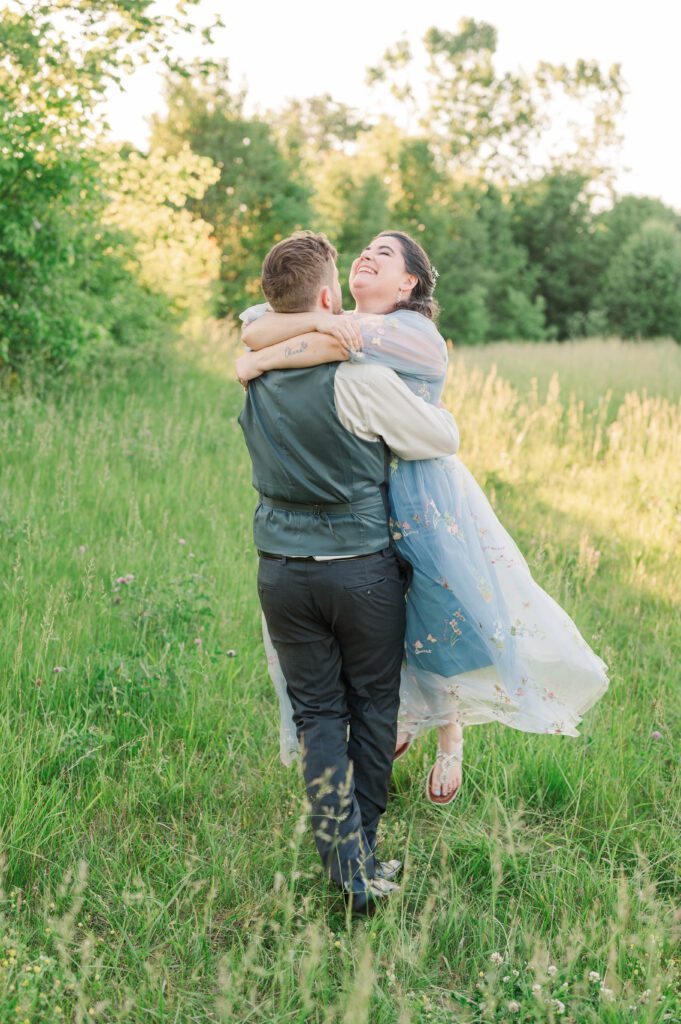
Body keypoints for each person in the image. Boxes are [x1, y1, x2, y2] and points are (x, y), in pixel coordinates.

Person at [237, 229, 610, 807]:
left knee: (438, 611)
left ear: (409, 281)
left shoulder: (412, 334)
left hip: (420, 489)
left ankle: (450, 738)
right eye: (364, 251)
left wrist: (262, 356)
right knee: (389, 622)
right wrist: (285, 334)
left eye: (384, 255)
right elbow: (255, 325)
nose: (366, 255)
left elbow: (297, 342)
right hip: (361, 491)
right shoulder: (340, 320)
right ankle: (403, 718)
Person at [237, 231, 460, 915]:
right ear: (330, 299)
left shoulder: (255, 367)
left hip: (279, 570)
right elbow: (439, 439)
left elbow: (253, 330)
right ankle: (357, 858)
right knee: (370, 706)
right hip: (359, 571)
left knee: (316, 716)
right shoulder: (361, 379)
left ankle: (346, 864)